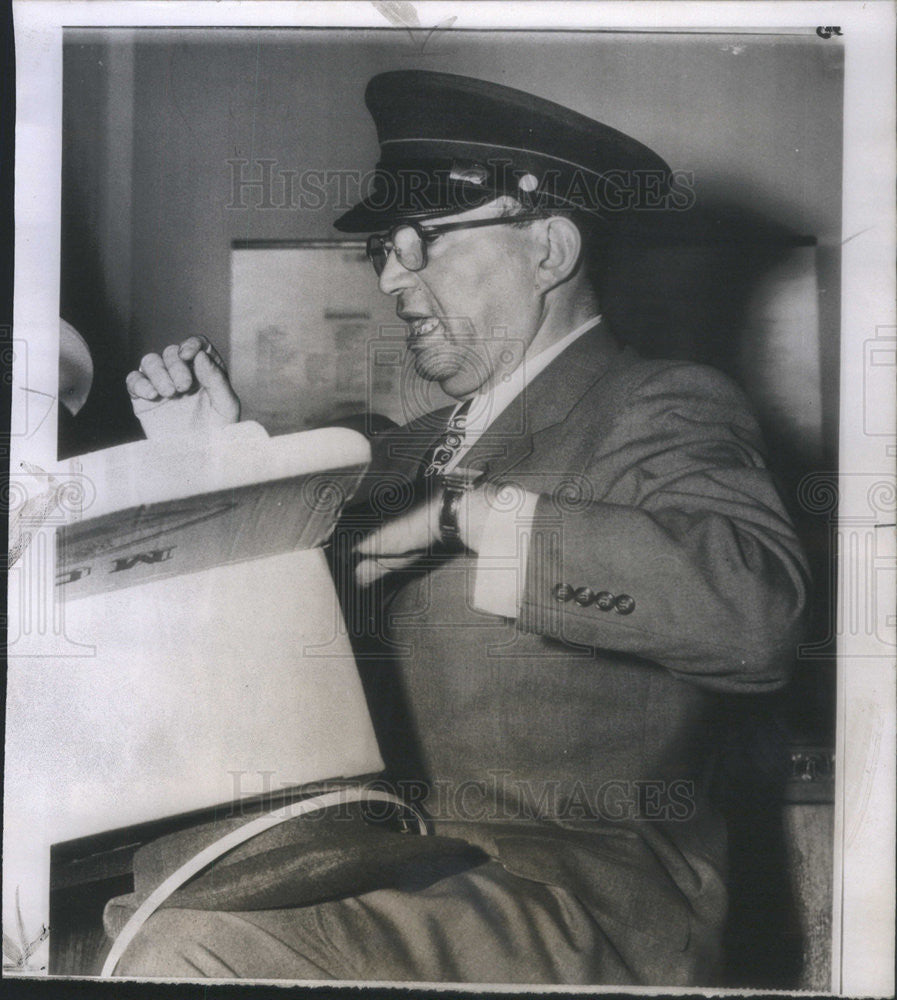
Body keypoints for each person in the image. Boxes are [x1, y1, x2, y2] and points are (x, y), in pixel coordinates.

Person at [116, 71, 809, 985]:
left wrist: (473, 516)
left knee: (190, 947)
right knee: (122, 922)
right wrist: (219, 479)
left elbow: (758, 619)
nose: (392, 276)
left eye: (425, 243)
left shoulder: (657, 406)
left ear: (549, 249)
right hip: (395, 870)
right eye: (386, 252)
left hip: (582, 904)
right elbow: (273, 683)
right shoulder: (385, 455)